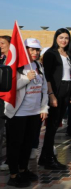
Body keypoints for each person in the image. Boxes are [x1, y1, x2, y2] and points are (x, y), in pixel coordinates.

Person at [5, 38, 49, 187]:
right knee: (15, 144)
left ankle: (23, 170)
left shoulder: (38, 66)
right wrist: (25, 79)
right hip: (18, 113)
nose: (35, 52)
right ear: (25, 50)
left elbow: (44, 89)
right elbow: (7, 87)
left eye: (37, 49)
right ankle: (13, 175)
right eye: (32, 49)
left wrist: (44, 108)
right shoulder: (16, 65)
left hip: (34, 113)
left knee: (28, 144)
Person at [38, 28, 71, 170]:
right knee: (52, 127)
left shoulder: (69, 54)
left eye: (66, 38)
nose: (64, 40)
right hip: (56, 90)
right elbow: (47, 76)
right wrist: (51, 94)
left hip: (66, 90)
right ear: (56, 38)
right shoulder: (50, 54)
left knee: (56, 124)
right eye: (61, 37)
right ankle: (48, 158)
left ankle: (44, 157)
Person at [0, 35, 11, 171]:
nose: (0, 45)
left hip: (9, 100)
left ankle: (10, 158)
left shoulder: (14, 61)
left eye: (2, 43)